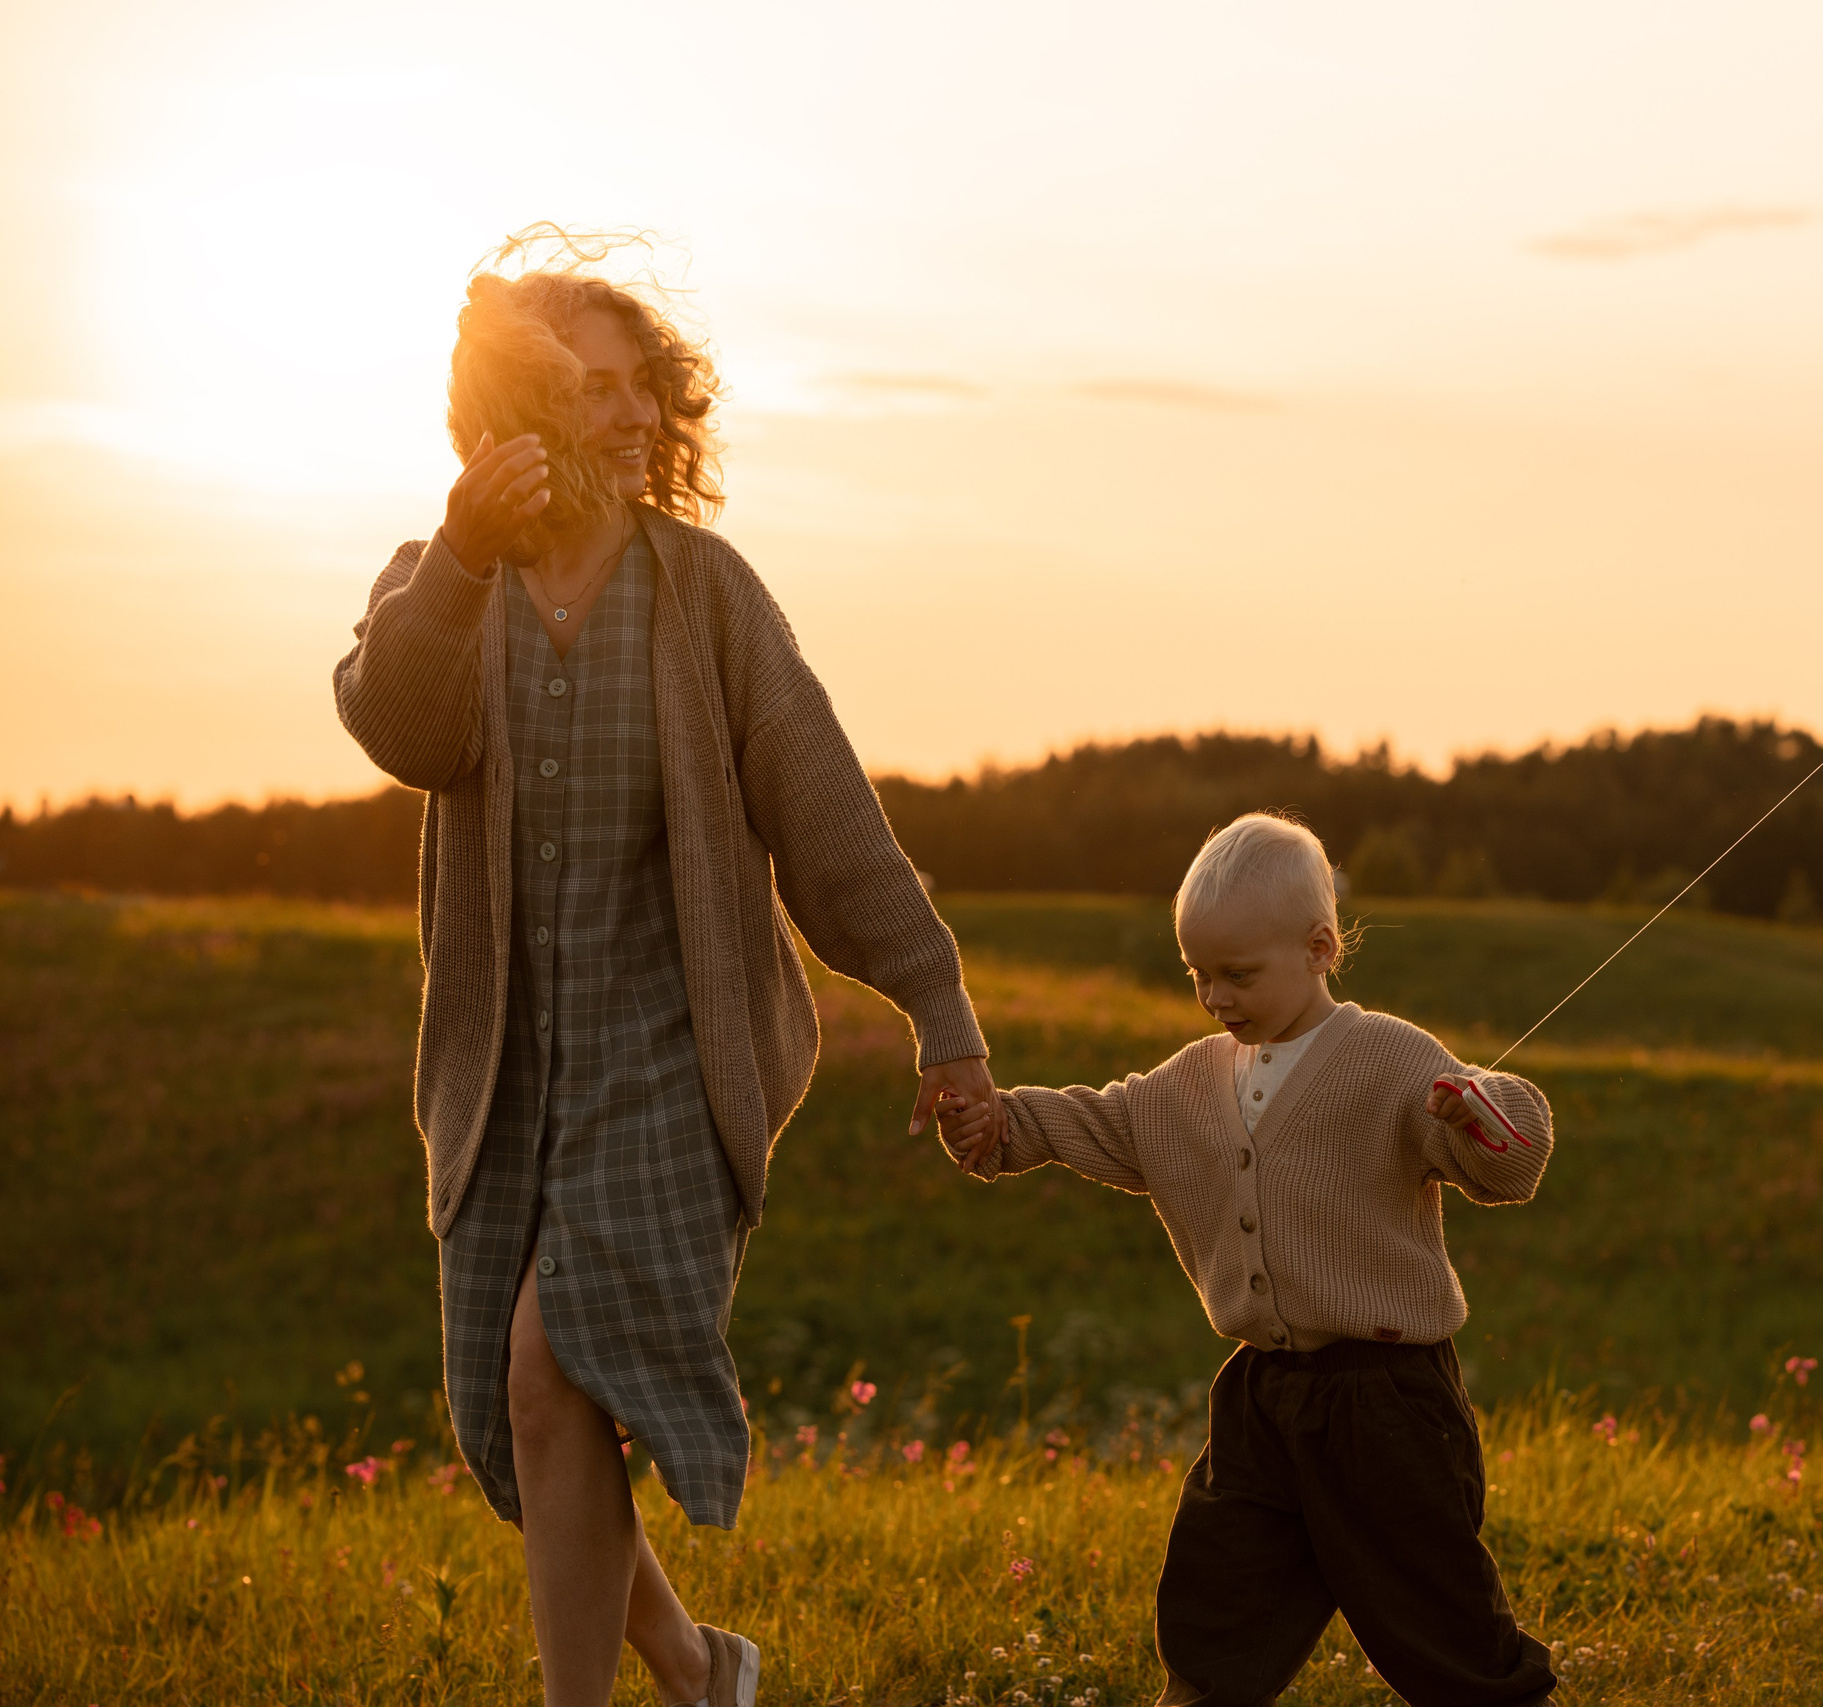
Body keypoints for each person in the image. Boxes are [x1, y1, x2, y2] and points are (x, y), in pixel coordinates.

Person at [333, 229, 1003, 1707]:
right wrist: (457, 555)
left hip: (673, 1068)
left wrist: (938, 1005)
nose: (635, 414)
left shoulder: (706, 595)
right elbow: (403, 728)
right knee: (528, 1419)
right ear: (509, 419)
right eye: (594, 389)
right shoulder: (438, 587)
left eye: (647, 387)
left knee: (554, 1373)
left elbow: (828, 818)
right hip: (502, 1084)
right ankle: (705, 1669)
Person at [932, 813, 1557, 1707]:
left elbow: (1508, 1164)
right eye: (1197, 974)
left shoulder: (1390, 1057)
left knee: (1440, 1618)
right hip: (1263, 1398)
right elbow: (1104, 1119)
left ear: (1319, 947)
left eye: (1238, 973)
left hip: (1389, 1402)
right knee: (1216, 1602)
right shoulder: (1192, 1079)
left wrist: (1485, 1115)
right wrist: (1006, 1123)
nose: (1216, 995)